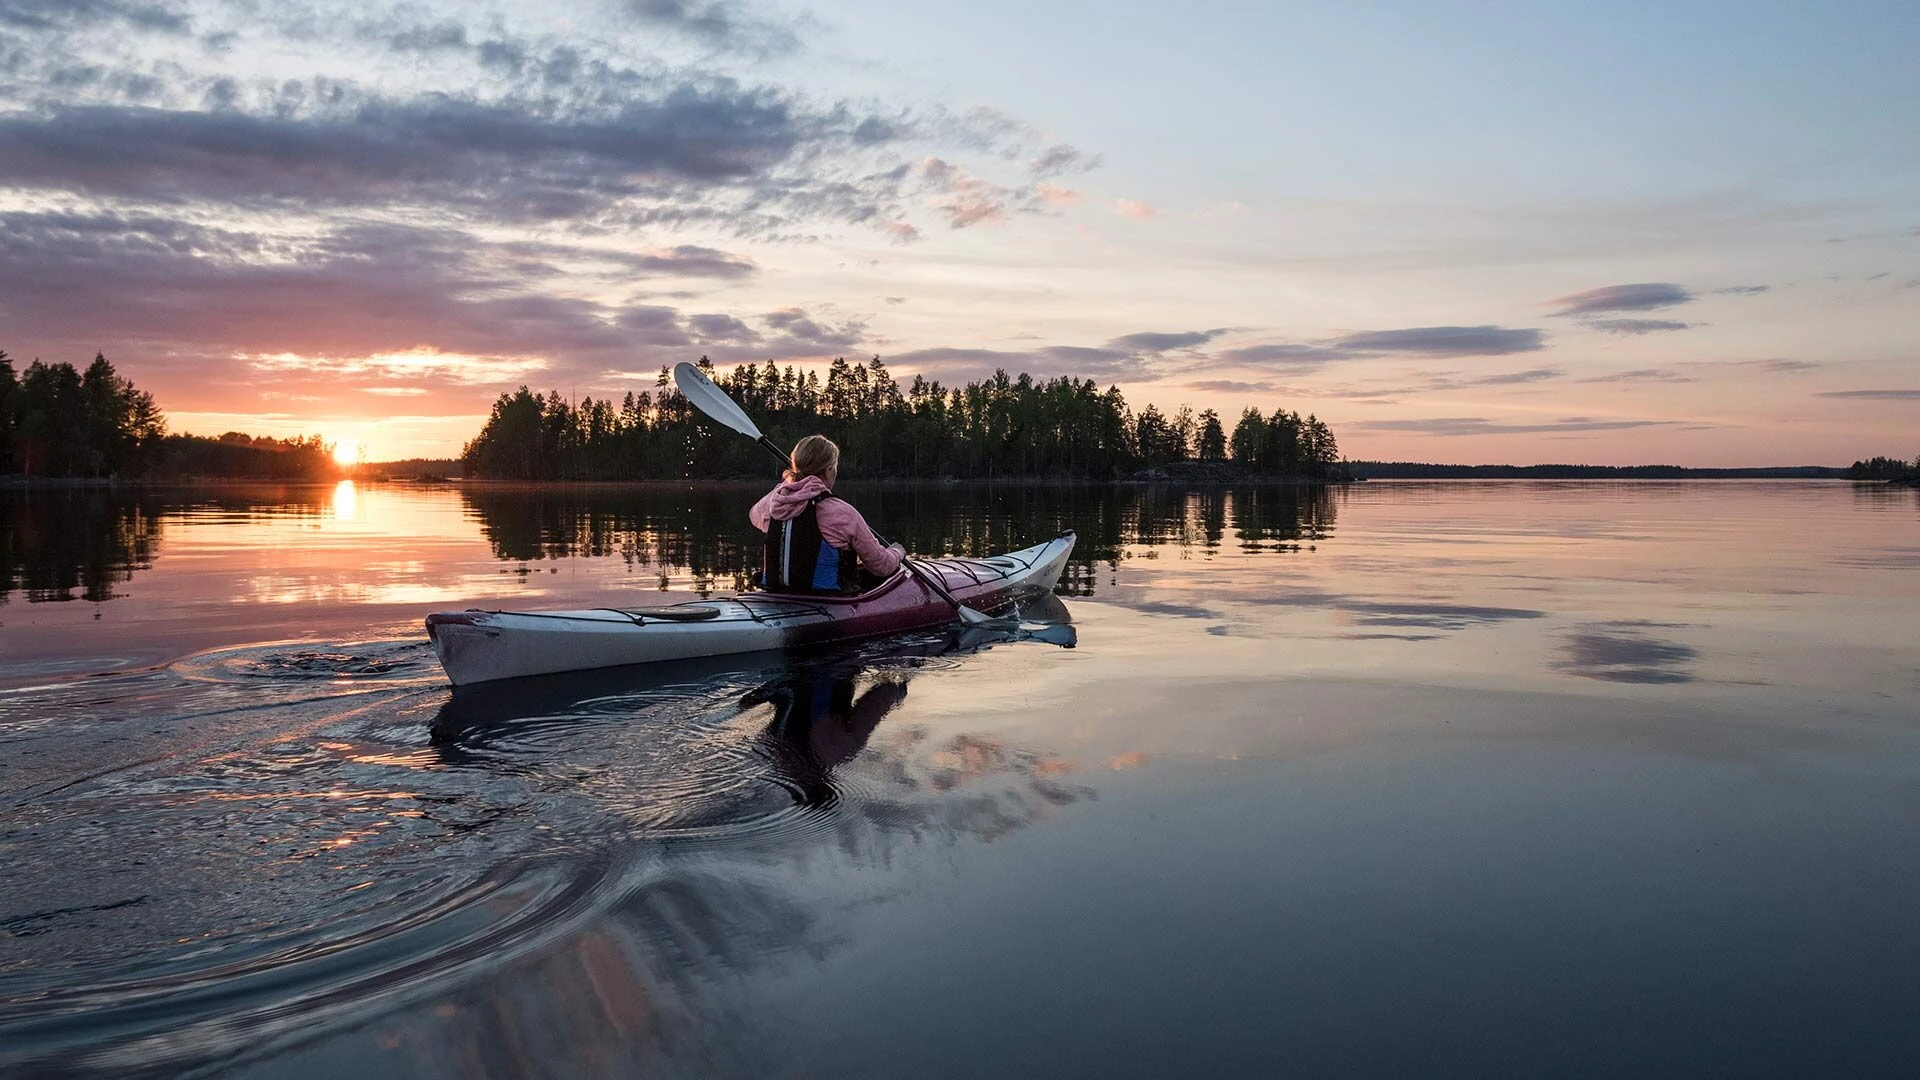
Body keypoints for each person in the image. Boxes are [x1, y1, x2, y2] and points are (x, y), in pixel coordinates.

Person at [750, 435, 905, 593]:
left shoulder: (775, 503)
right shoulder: (843, 513)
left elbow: (754, 516)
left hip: (775, 595)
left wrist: (791, 483)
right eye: (835, 466)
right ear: (830, 470)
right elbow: (881, 566)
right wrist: (897, 552)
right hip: (828, 600)